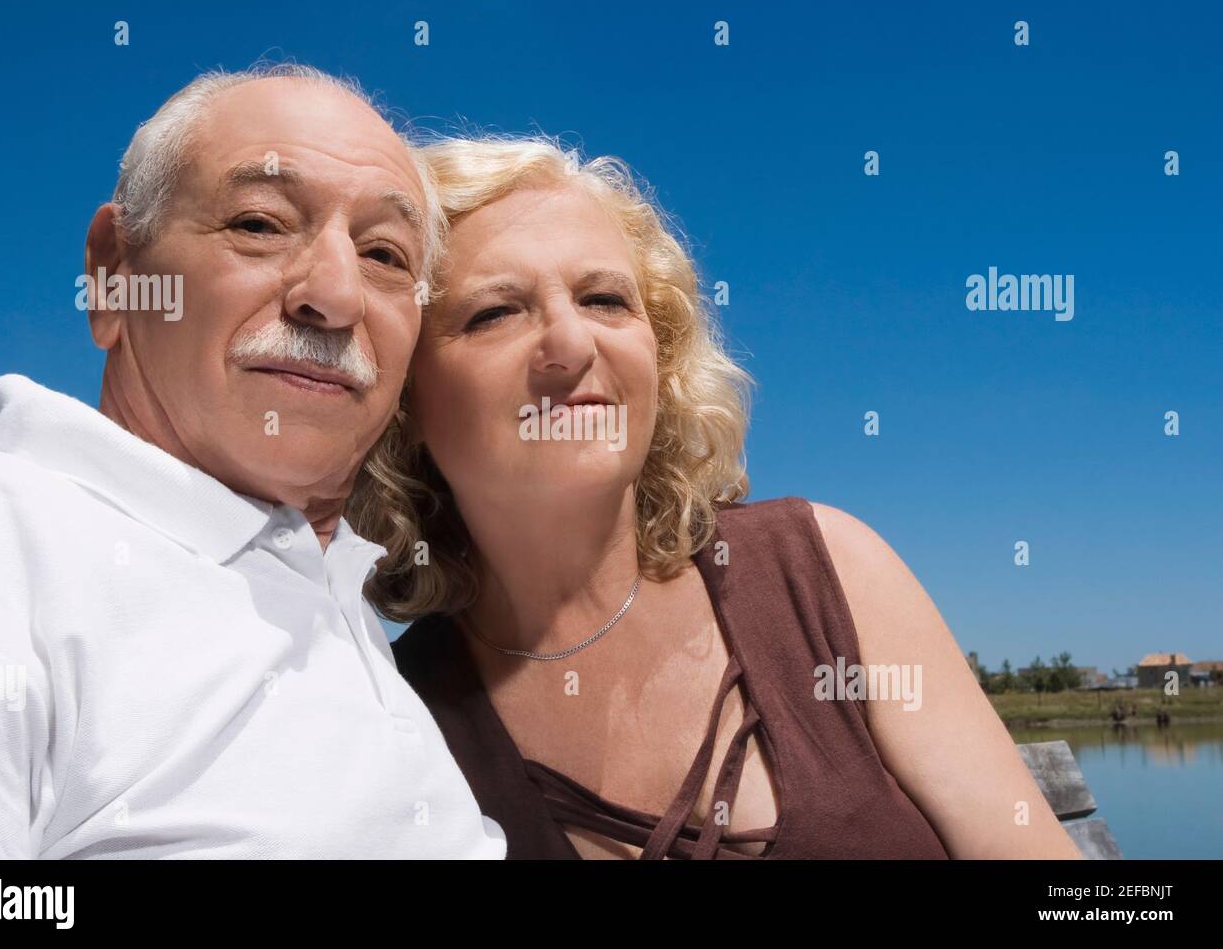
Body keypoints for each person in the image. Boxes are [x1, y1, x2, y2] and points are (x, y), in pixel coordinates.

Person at [355, 136, 1085, 859]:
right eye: (494, 313)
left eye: (606, 299)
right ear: (404, 394)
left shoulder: (823, 571)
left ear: (659, 355)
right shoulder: (397, 719)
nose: (572, 344)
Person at [0, 64, 504, 859]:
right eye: (260, 224)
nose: (334, 295)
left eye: (385, 255)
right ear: (113, 276)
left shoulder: (355, 615)